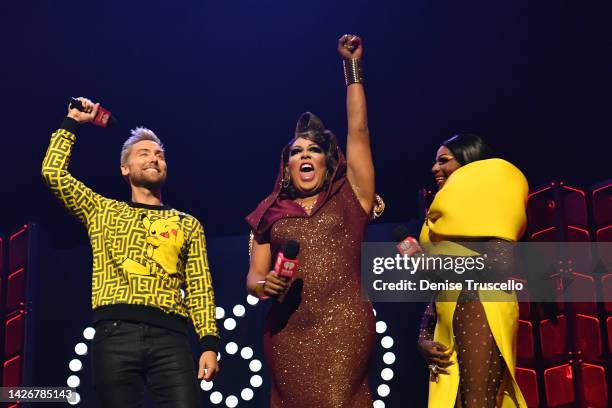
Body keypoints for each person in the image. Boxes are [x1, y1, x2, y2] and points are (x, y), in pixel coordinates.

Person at [41, 98, 219, 407]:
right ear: (125, 168)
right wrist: (72, 122)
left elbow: (199, 287)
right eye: (144, 153)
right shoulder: (102, 210)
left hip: (171, 339)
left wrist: (208, 344)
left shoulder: (187, 224)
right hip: (114, 335)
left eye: (160, 155)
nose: (154, 159)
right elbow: (53, 173)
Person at [245, 35, 382, 408]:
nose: (305, 155)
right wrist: (264, 285)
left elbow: (359, 131)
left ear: (327, 159)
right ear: (287, 165)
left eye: (314, 149)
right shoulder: (268, 214)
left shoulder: (352, 196)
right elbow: (253, 278)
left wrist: (352, 68)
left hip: (345, 325)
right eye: (297, 152)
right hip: (288, 332)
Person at [417, 134, 528, 407]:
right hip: (450, 312)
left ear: (469, 163)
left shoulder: (493, 194)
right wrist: (423, 335)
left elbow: (500, 262)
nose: (434, 169)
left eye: (444, 160)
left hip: (481, 303)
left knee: (477, 402)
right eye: (434, 161)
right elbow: (439, 286)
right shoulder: (440, 219)